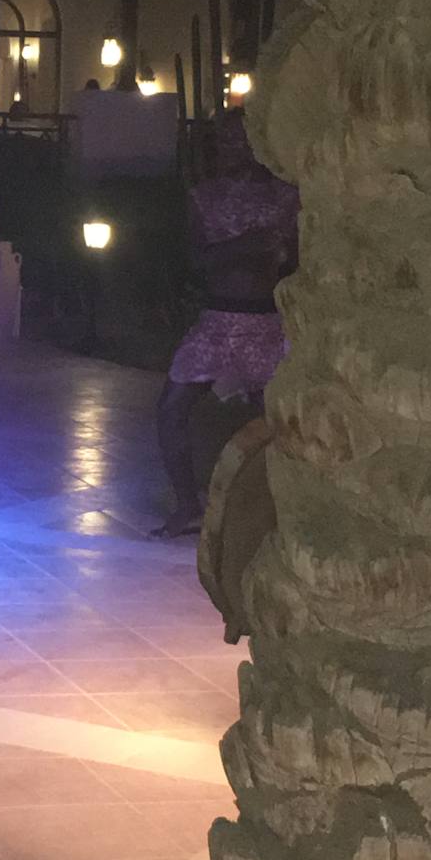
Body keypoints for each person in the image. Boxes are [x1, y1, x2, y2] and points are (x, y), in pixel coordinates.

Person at [153, 111, 298, 539]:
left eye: (239, 138)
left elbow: (295, 261)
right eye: (223, 140)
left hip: (267, 323)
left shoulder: (286, 196)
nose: (230, 147)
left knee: (277, 421)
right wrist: (246, 247)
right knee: (171, 409)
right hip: (217, 321)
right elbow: (196, 261)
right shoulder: (205, 197)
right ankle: (188, 506)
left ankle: (276, 511)